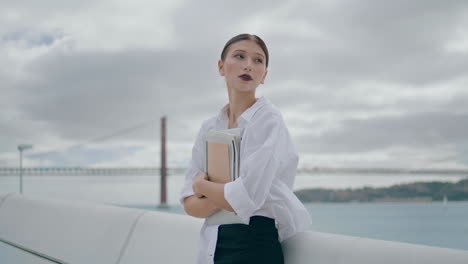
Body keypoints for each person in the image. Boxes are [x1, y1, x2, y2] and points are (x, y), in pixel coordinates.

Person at [180, 33, 312, 264]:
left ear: (264, 76)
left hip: (254, 243)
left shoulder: (267, 118)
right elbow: (190, 206)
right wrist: (226, 193)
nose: (248, 66)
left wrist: (201, 185)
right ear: (221, 67)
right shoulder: (209, 126)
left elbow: (246, 198)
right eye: (239, 56)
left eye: (258, 60)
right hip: (212, 245)